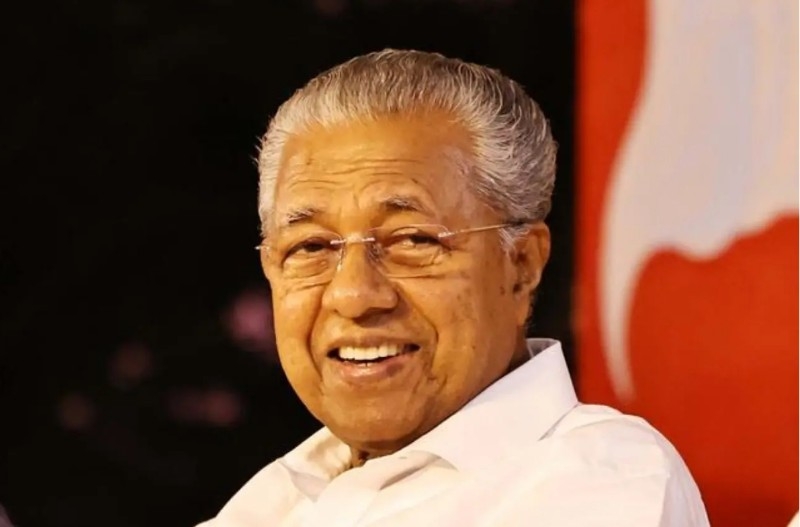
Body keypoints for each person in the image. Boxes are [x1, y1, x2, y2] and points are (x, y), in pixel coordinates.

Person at [197, 49, 709, 526]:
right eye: (311, 247)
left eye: (412, 240)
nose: (352, 294)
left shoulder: (602, 479)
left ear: (522, 264)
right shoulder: (268, 503)